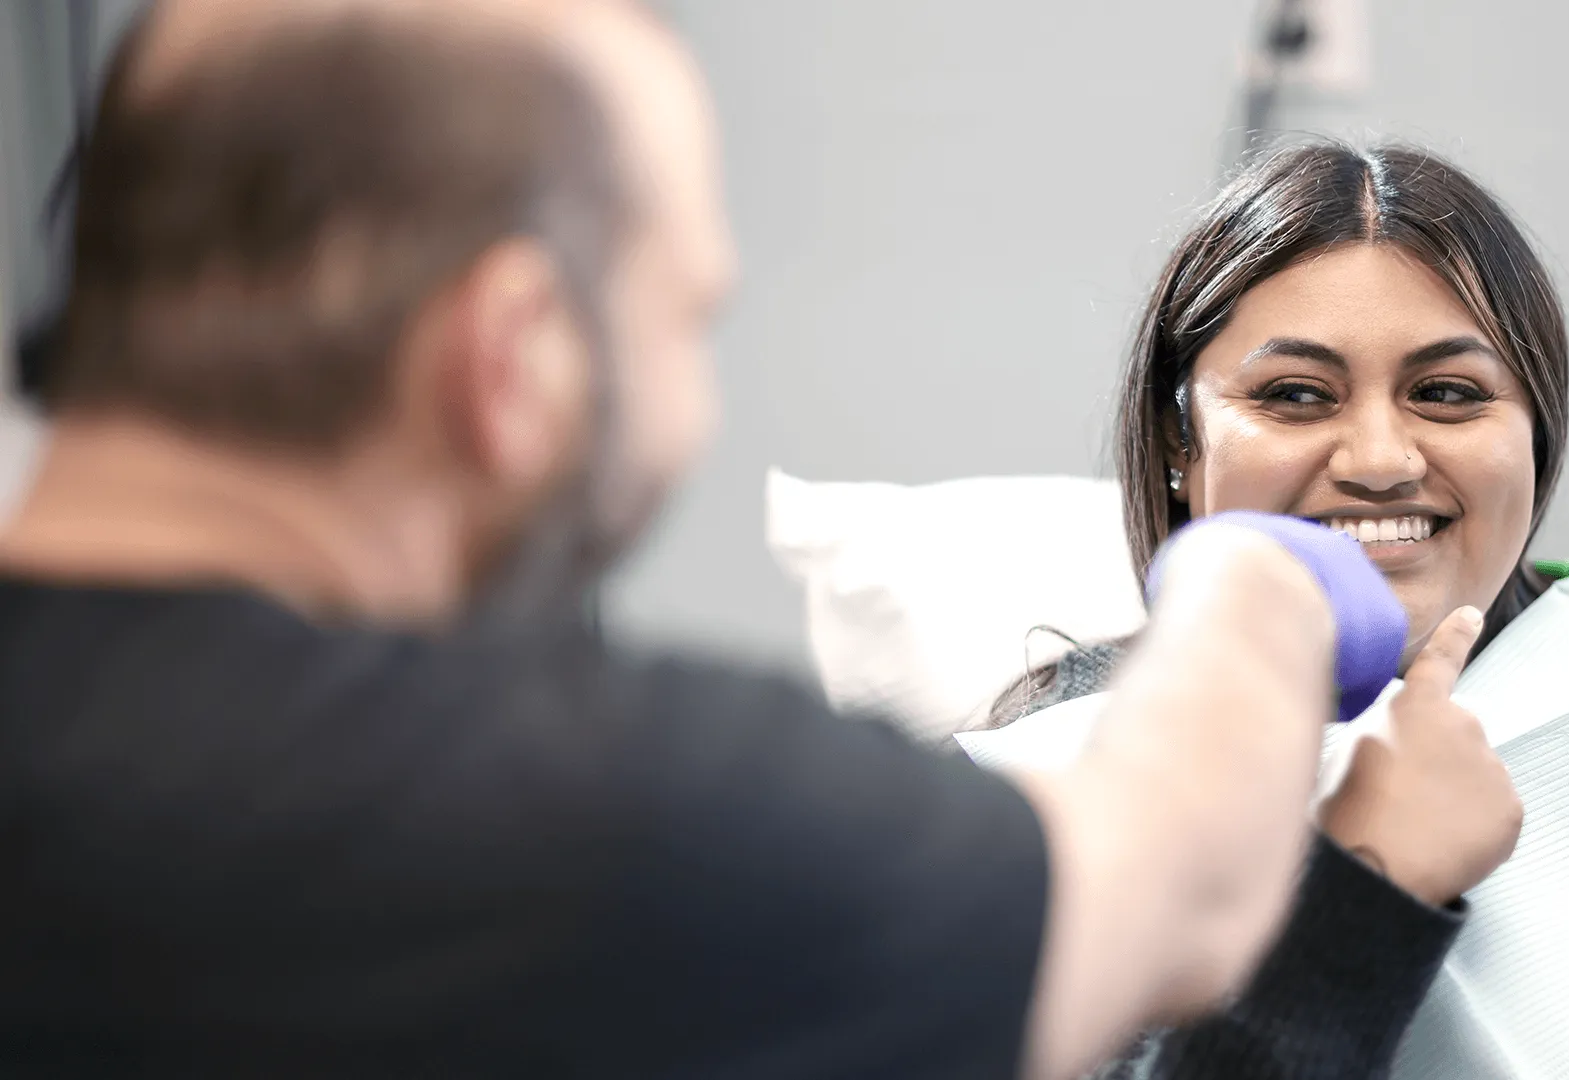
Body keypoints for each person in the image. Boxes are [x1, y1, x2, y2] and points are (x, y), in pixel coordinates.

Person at [0, 3, 1422, 1076]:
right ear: (512, 358)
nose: (1378, 454)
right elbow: (1161, 886)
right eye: (685, 319)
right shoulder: (571, 819)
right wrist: (1256, 588)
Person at [981, 140, 1569, 1080]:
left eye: (1447, 394)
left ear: (1535, 435)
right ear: (1178, 440)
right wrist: (1368, 887)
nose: (1381, 459)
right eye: (1296, 395)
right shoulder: (1047, 770)